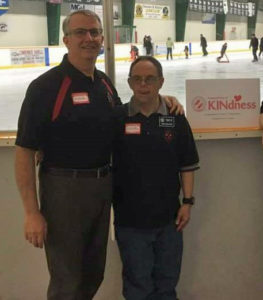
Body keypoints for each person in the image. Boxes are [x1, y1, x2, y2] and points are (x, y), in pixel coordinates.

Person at [15, 10, 184, 300]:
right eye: (81, 32)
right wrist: (32, 212)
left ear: (103, 38)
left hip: (103, 186)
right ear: (66, 39)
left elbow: (124, 116)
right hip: (64, 190)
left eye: (94, 32)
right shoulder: (46, 87)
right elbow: (24, 151)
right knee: (67, 278)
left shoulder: (104, 83)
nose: (89, 38)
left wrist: (159, 99)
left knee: (93, 272)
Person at [112, 56, 200, 300]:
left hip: (169, 221)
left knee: (166, 286)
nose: (143, 84)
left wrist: (188, 202)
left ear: (161, 82)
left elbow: (187, 164)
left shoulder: (176, 117)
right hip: (130, 222)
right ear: (129, 82)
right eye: (137, 79)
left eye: (150, 79)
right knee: (137, 287)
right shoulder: (117, 118)